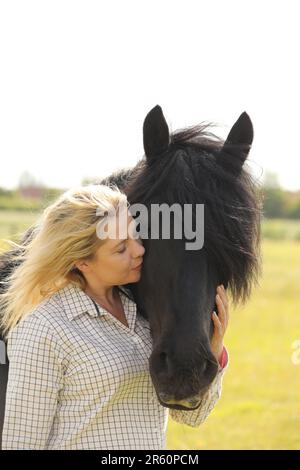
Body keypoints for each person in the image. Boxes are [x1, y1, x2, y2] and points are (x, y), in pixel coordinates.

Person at [0, 184, 229, 450]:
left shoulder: (146, 313)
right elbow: (21, 443)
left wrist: (213, 351)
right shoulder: (44, 327)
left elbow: (190, 415)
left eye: (136, 236)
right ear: (82, 261)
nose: (139, 250)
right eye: (121, 249)